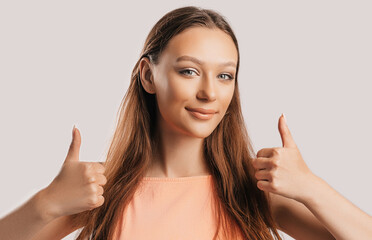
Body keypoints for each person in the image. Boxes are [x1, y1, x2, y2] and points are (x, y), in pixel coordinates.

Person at [1, 5, 372, 240]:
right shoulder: (100, 190)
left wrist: (312, 187)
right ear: (148, 76)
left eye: (225, 76)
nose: (210, 93)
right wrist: (47, 202)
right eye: (190, 71)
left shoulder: (254, 191)